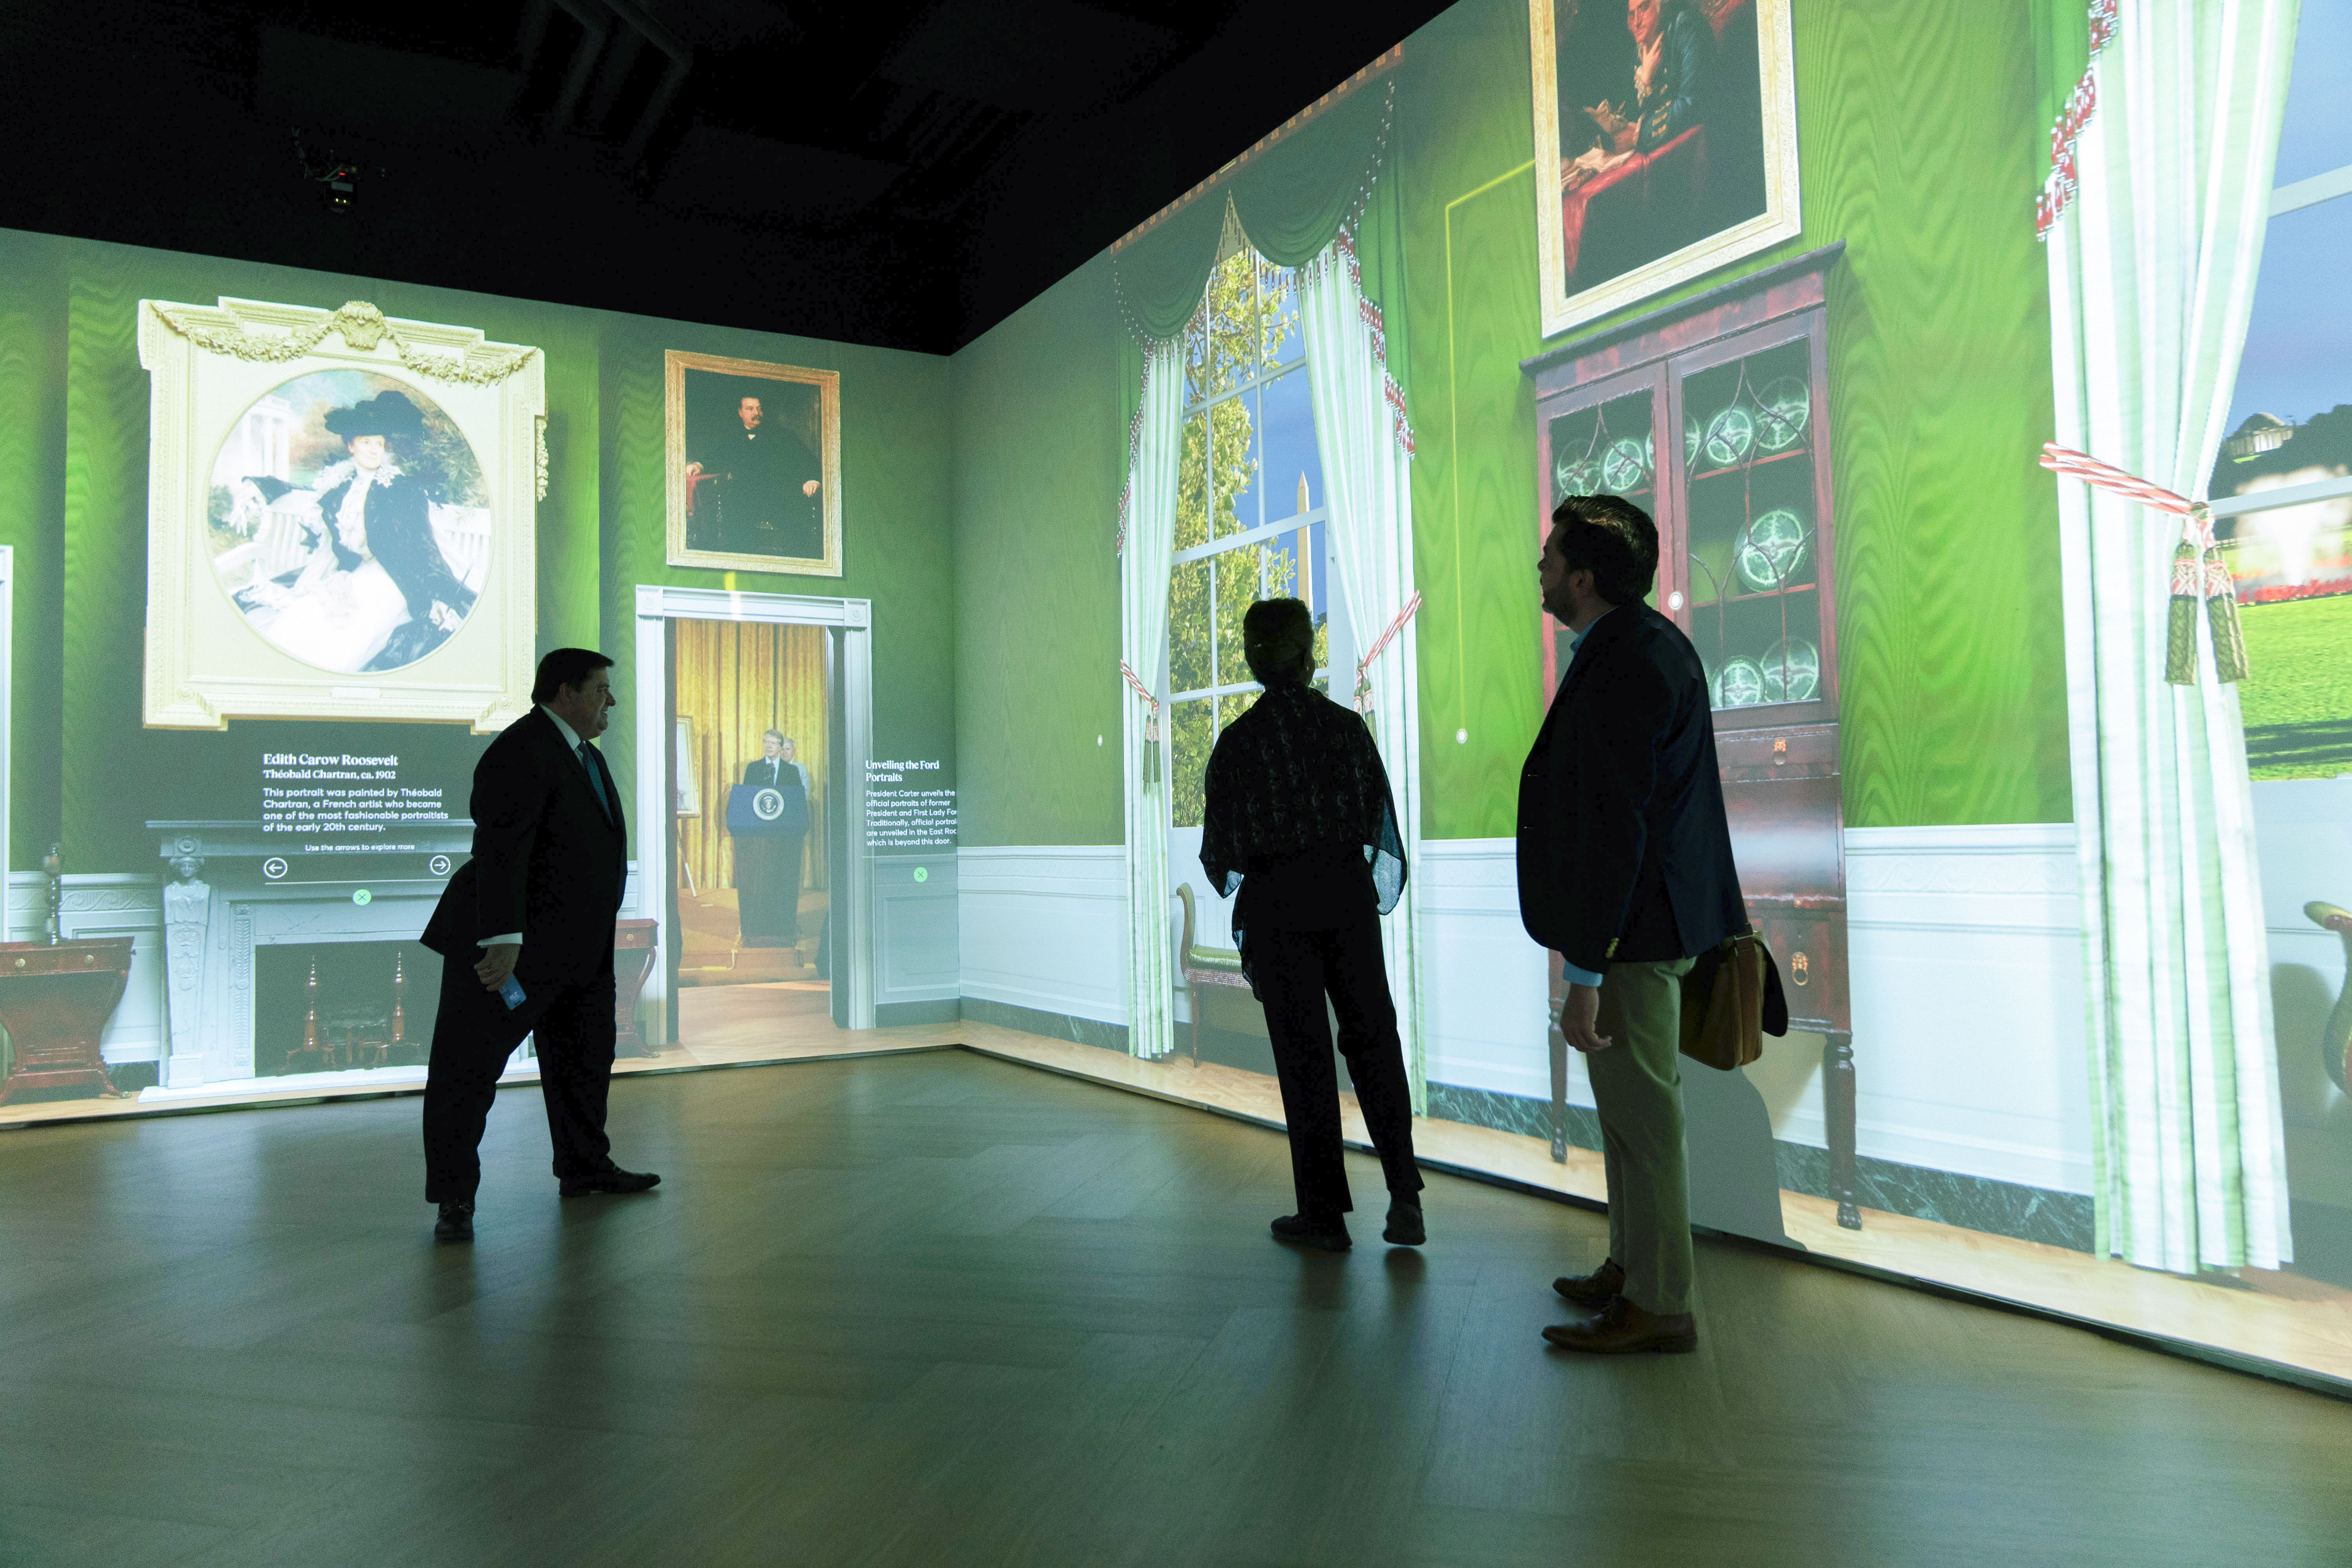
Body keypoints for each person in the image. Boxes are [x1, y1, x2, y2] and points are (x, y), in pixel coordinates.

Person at [1518, 495, 1747, 1352]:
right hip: (1650, 926)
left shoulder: (1624, 662)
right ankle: (1632, 1265)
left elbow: (1620, 825)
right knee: (1628, 1118)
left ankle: (1660, 1302)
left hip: (1634, 938)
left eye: (1550, 558)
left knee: (1645, 1125)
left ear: (1582, 577)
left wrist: (1585, 970)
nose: (1539, 569)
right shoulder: (1644, 646)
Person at [1200, 597, 1424, 1253]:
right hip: (1345, 900)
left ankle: (1323, 1216)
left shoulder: (1239, 744)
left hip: (1279, 909)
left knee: (1304, 1058)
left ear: (1251, 658)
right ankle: (1405, 1197)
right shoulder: (1345, 730)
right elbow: (1377, 826)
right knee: (1373, 1040)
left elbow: (1224, 854)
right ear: (1308, 653)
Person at [418, 648, 658, 1241]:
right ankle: (454, 1201)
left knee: (583, 1065)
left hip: (577, 951)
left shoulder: (585, 756)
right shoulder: (520, 749)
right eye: (601, 689)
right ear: (565, 693)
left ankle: (585, 1169)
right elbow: (501, 848)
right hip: (508, 951)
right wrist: (503, 939)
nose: (612, 701)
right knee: (467, 1072)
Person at [317, 390, 477, 669]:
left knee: (358, 624)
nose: (373, 449)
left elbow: (423, 544)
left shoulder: (401, 489)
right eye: (366, 442)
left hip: (398, 575)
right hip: (359, 571)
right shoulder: (340, 491)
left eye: (379, 443)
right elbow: (343, 542)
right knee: (318, 614)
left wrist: (438, 593)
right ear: (351, 446)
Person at [685, 392, 823, 559]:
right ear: (741, 413)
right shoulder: (732, 437)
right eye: (750, 409)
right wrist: (698, 465)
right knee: (736, 534)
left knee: (796, 535)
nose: (755, 413)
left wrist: (812, 480)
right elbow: (714, 456)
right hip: (743, 499)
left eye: (759, 409)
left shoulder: (783, 436)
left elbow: (807, 459)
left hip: (778, 497)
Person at [735, 729, 809, 948]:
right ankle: (755, 929)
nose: (769, 746)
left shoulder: (792, 772)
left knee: (782, 882)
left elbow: (797, 803)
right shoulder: (753, 769)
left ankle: (783, 928)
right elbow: (746, 800)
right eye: (766, 742)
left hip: (785, 841)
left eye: (774, 743)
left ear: (780, 747)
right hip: (757, 840)